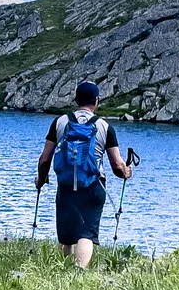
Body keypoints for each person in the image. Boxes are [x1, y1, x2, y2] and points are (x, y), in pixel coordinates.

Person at [34, 81, 133, 269]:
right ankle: (79, 273)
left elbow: (45, 159)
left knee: (66, 234)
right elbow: (117, 167)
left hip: (65, 184)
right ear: (96, 101)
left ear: (76, 99)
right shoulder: (104, 127)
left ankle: (65, 270)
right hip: (93, 186)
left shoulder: (60, 122)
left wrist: (41, 179)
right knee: (86, 232)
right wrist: (127, 172)